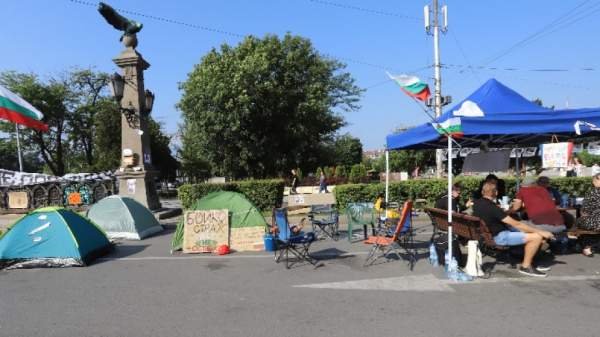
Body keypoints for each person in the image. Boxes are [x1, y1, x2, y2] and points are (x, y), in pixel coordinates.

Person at [473, 182, 555, 277]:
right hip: (499, 237)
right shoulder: (492, 207)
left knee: (531, 231)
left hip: (489, 235)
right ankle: (526, 266)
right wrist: (540, 232)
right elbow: (516, 223)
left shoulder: (478, 203)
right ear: (495, 192)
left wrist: (511, 210)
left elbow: (499, 216)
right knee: (536, 236)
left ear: (483, 192)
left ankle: (531, 261)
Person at [576, 173, 600, 257]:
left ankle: (586, 244)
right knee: (596, 224)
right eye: (599, 179)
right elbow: (585, 211)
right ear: (594, 181)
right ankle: (586, 247)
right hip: (591, 219)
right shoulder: (592, 193)